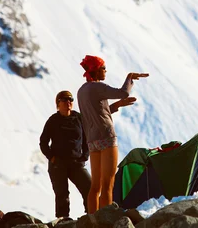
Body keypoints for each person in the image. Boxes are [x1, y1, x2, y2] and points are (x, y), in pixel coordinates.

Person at [77, 55, 149, 213]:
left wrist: (117, 105)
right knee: (108, 184)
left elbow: (97, 112)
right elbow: (123, 92)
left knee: (95, 186)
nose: (105, 71)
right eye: (103, 68)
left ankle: (92, 219)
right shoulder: (97, 87)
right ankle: (106, 220)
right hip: (106, 137)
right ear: (95, 71)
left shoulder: (82, 91)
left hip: (92, 141)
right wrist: (129, 78)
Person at [39, 90, 91, 219]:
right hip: (58, 164)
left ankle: (92, 217)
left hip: (76, 163)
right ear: (58, 103)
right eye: (65, 100)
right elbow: (43, 142)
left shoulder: (79, 118)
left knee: (89, 188)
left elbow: (87, 139)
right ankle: (63, 222)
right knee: (62, 195)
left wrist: (85, 156)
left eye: (71, 100)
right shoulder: (53, 120)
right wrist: (52, 158)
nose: (68, 102)